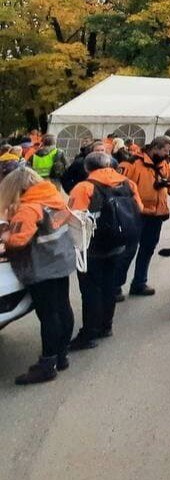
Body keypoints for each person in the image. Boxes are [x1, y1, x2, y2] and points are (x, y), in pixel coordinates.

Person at [0, 160, 78, 384]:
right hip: (60, 261)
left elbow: (18, 240)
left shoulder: (29, 206)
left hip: (41, 266)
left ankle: (47, 365)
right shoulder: (51, 197)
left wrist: (6, 236)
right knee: (63, 308)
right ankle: (61, 356)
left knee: (48, 315)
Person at [66, 152, 144, 350]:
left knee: (90, 290)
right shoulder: (127, 183)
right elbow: (139, 208)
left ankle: (89, 333)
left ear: (87, 168)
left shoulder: (85, 187)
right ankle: (105, 326)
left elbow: (74, 218)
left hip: (91, 247)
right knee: (109, 286)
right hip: (118, 243)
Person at [122, 135, 170, 297]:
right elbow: (121, 188)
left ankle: (139, 282)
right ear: (155, 148)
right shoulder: (132, 164)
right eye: (165, 151)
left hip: (156, 214)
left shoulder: (163, 165)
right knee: (128, 250)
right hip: (136, 213)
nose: (167, 155)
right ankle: (116, 286)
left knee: (147, 249)